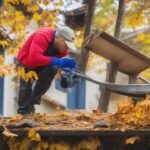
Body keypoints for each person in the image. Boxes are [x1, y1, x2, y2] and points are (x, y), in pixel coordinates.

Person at [16, 26, 77, 114]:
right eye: (66, 45)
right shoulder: (42, 36)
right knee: (26, 87)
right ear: (60, 38)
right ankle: (23, 112)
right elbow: (34, 58)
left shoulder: (63, 50)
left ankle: (33, 100)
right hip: (25, 62)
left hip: (42, 64)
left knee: (53, 69)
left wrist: (63, 75)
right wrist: (57, 61)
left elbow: (57, 64)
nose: (68, 48)